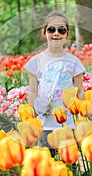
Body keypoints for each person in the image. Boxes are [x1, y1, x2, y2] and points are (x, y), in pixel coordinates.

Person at [24, 11, 85, 149]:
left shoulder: (73, 62)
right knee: (47, 162)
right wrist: (32, 114)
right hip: (45, 122)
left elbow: (80, 90)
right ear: (44, 32)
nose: (56, 33)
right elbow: (33, 91)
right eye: (51, 29)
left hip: (68, 122)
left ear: (67, 34)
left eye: (61, 30)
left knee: (69, 160)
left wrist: (82, 116)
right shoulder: (36, 61)